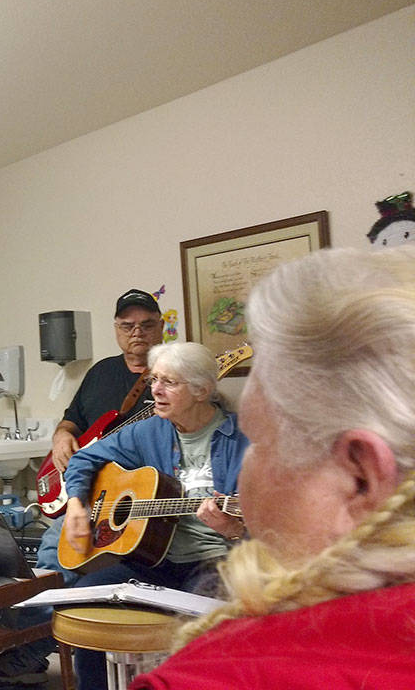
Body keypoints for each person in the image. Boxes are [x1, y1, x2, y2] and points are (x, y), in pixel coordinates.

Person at [130, 246, 415, 689]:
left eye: (259, 441)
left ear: (360, 478)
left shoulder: (207, 678)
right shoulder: (146, 431)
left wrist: (232, 529)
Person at [0, 289, 164, 688]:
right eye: (127, 325)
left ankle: (28, 648)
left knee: (66, 565)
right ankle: (26, 644)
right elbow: (72, 421)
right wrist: (61, 437)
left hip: (130, 498)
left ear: (161, 326)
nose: (137, 332)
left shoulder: (172, 375)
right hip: (85, 490)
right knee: (50, 559)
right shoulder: (101, 372)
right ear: (116, 329)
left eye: (146, 324)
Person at [62, 341, 248, 690]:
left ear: (201, 390)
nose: (156, 391)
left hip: (214, 563)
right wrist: (75, 503)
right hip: (153, 560)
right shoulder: (150, 431)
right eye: (154, 380)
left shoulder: (244, 440)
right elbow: (84, 458)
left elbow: (275, 526)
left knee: (196, 624)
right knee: (84, 598)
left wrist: (234, 529)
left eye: (169, 382)